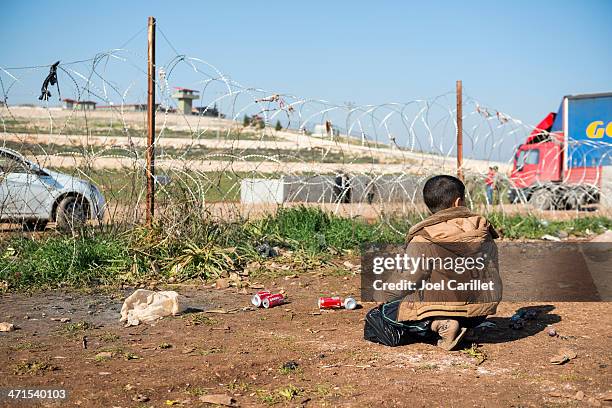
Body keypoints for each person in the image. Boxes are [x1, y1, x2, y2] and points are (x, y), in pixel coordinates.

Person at [364, 175, 502, 350]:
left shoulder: (425, 237)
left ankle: (440, 324)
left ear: (428, 204)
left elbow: (409, 277)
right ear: (459, 202)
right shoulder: (483, 230)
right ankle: (464, 328)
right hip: (480, 311)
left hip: (448, 309)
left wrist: (384, 295)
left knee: (382, 314)